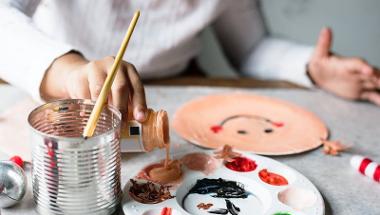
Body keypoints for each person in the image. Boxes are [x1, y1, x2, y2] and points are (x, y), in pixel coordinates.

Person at [0, 0, 379, 124]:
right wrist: (71, 71)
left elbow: (251, 49)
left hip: (175, 91)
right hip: (63, 89)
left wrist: (312, 69)